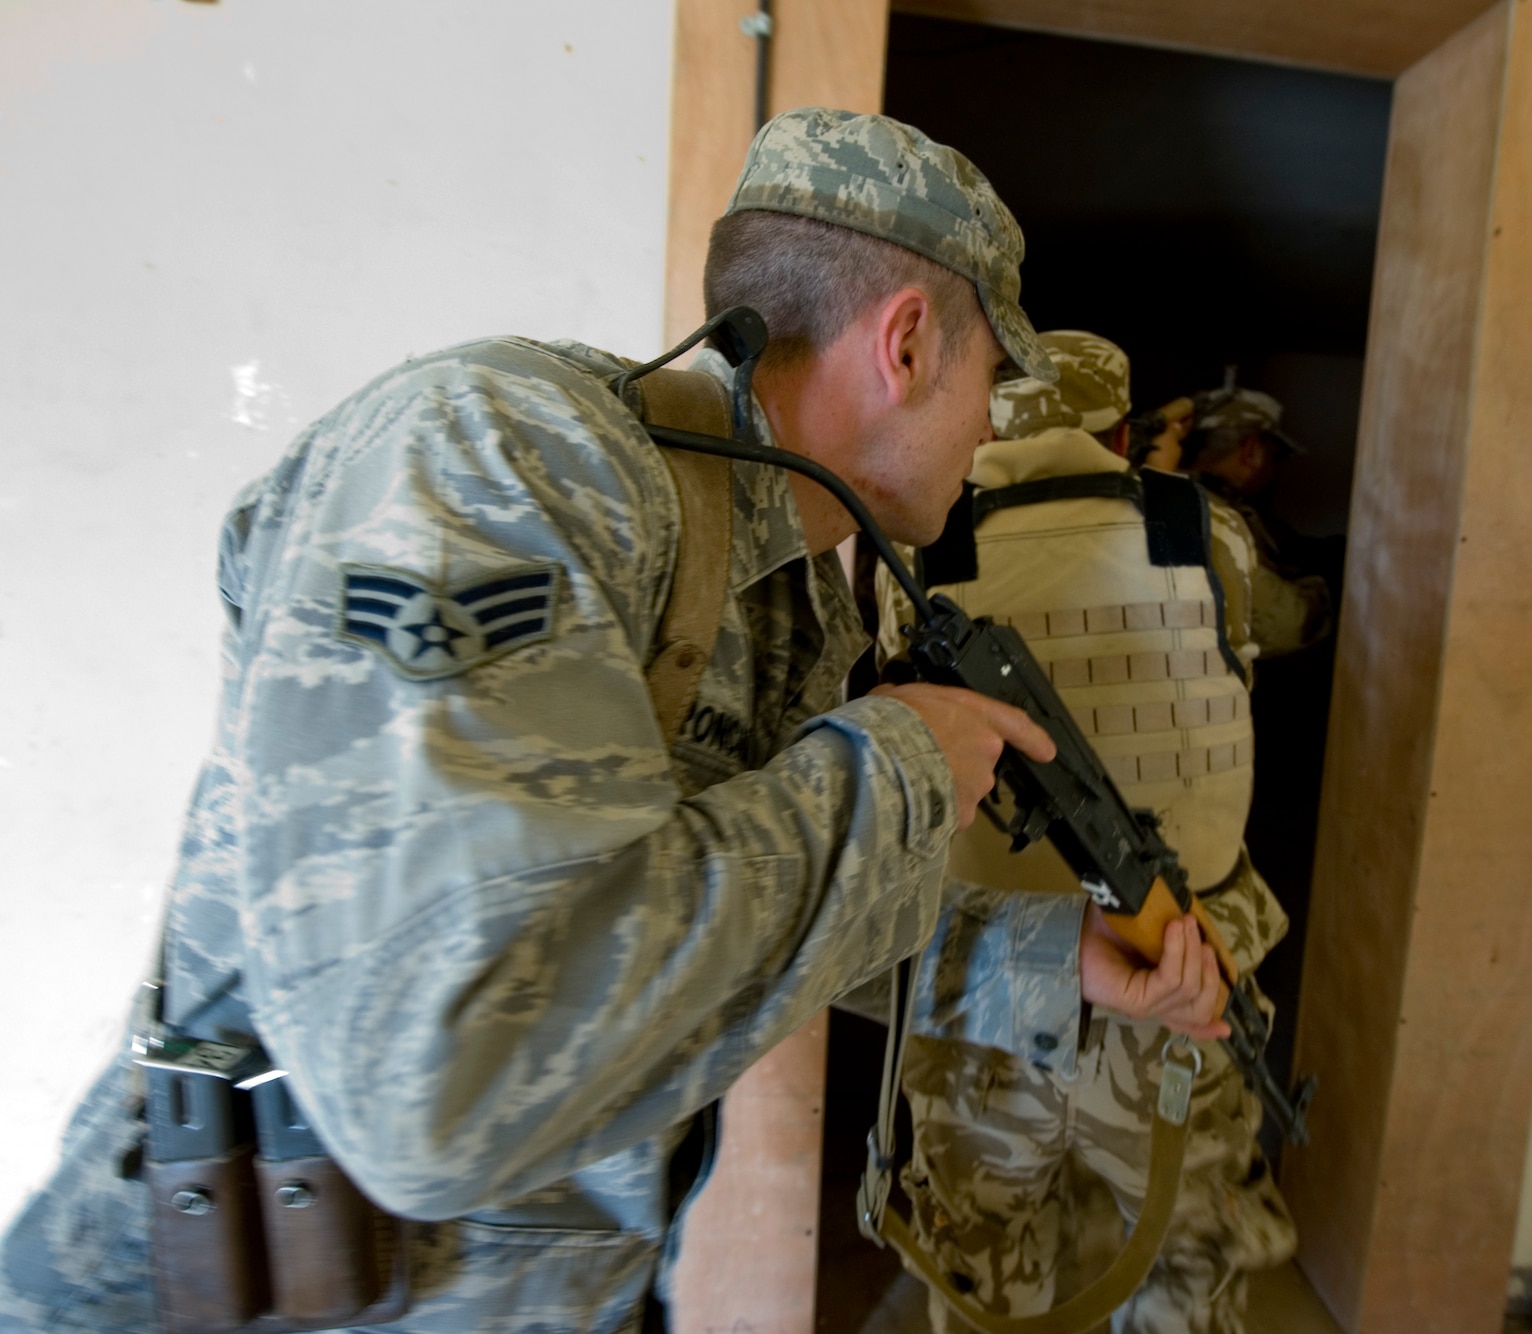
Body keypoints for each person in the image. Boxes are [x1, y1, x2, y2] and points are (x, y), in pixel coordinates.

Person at [0, 109, 1226, 1334]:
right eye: (992, 381)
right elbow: (441, 1084)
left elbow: (690, 911)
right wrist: (899, 769)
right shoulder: (496, 459)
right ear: (906, 343)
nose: (989, 430)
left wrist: (1035, 959)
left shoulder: (787, 576)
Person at [879, 331, 1299, 1334]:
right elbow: (1277, 631)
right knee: (1180, 1281)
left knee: (984, 1283)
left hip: (981, 991)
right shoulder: (1211, 533)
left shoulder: (914, 545)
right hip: (1178, 984)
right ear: (1119, 427)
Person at [1181, 388, 1333, 657]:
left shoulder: (1200, 502)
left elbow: (1285, 545)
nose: (1272, 470)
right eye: (1273, 456)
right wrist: (1330, 589)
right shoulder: (1208, 514)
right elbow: (1289, 624)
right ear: (1251, 452)